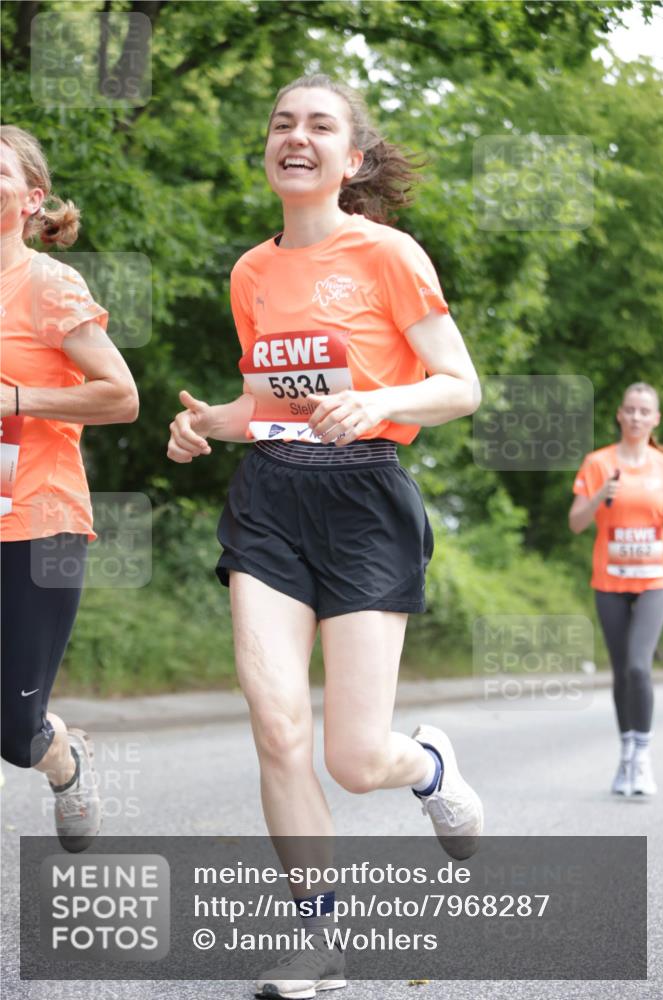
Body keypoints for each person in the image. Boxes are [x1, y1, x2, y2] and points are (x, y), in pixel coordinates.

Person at [168, 74, 483, 999]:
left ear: (351, 161)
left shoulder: (388, 254)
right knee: (275, 724)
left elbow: (458, 385)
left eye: (318, 126)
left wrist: (376, 399)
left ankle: (423, 764)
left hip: (363, 502)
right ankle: (319, 940)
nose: (294, 137)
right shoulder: (250, 272)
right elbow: (265, 409)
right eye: (280, 123)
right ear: (268, 151)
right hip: (269, 500)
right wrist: (205, 426)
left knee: (353, 760)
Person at [0, 126, 139, 851]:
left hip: (36, 520)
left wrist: (15, 400)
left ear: (33, 199)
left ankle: (62, 756)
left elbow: (121, 396)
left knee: (12, 732)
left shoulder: (48, 285)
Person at [570, 382, 663, 798]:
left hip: (653, 581)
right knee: (621, 672)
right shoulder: (598, 463)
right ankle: (626, 754)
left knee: (638, 667)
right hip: (609, 581)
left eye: (644, 411)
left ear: (655, 419)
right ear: (619, 414)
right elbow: (575, 522)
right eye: (629, 409)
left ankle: (642, 761)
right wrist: (597, 499)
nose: (636, 417)